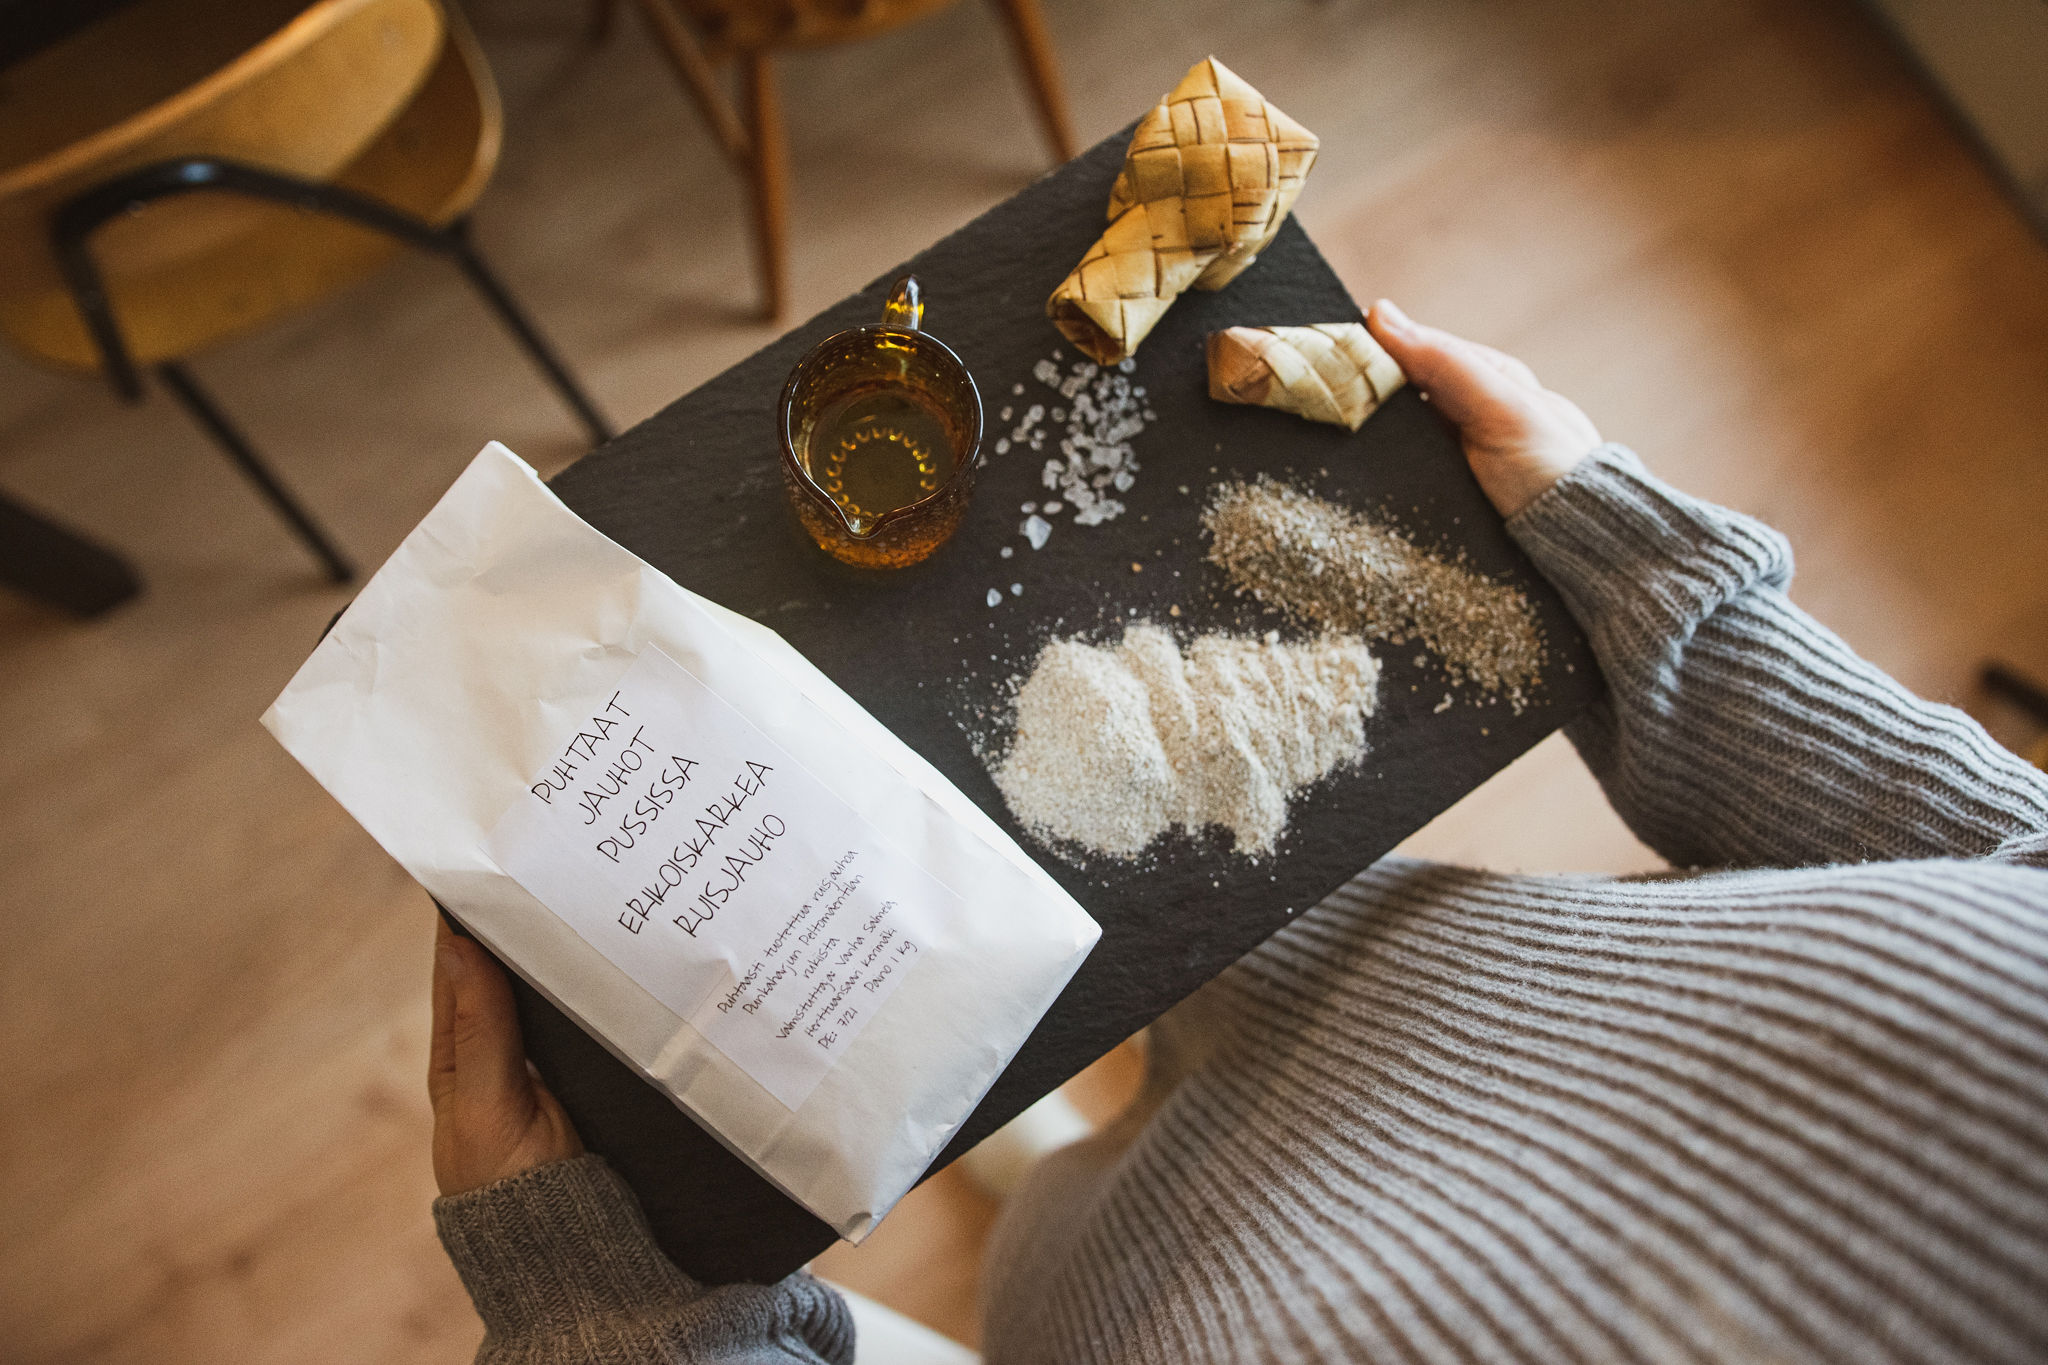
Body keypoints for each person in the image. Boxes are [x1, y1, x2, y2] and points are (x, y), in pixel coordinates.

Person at [427, 302, 2048, 1364]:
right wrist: (1661, 598)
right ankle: (1075, 1153)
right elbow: (1997, 856)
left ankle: (1053, 1194)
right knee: (1112, 1100)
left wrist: (608, 1325)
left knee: (1016, 1277)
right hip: (1350, 968)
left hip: (1122, 1329)